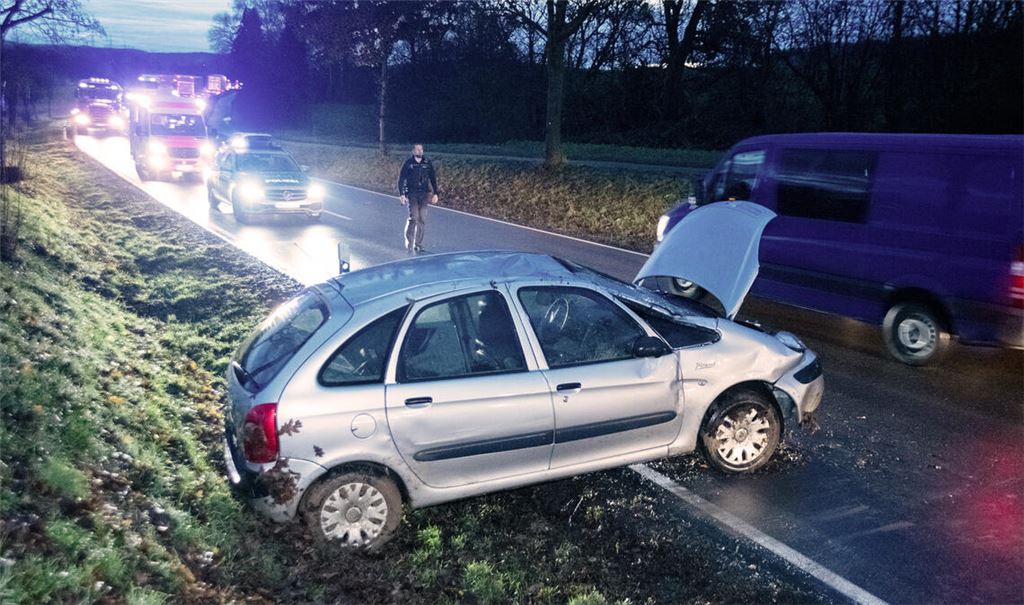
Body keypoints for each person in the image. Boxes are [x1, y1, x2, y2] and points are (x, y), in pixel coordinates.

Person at [398, 144, 439, 251]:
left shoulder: (427, 163)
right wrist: (402, 194)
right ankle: (409, 242)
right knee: (414, 217)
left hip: (424, 194)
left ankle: (418, 244)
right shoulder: (408, 163)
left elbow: (433, 178)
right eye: (417, 149)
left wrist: (436, 193)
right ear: (413, 151)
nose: (419, 151)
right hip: (412, 194)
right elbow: (402, 178)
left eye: (421, 149)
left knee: (422, 219)